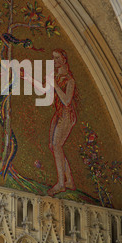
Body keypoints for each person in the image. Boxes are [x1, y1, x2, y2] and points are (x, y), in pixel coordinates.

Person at [47, 49, 78, 196]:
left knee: (57, 145)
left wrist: (55, 85)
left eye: (57, 58)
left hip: (67, 115)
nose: (54, 61)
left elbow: (66, 101)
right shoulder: (56, 77)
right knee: (54, 146)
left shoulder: (69, 80)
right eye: (53, 58)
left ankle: (61, 183)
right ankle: (69, 180)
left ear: (64, 60)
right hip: (59, 114)